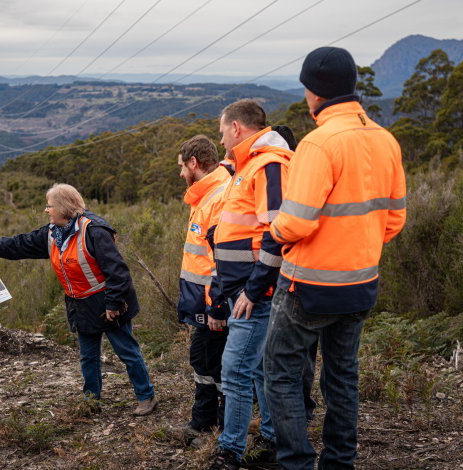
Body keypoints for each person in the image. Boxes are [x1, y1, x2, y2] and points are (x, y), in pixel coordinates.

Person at [265, 47, 407, 470]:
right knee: (343, 376)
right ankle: (339, 462)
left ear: (314, 92)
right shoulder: (386, 139)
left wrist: (273, 233)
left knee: (281, 373)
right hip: (361, 283)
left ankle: (296, 463)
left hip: (308, 286)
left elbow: (297, 223)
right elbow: (394, 221)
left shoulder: (319, 143)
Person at [0, 183, 157, 416]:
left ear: (64, 208)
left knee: (127, 351)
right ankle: (91, 401)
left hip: (108, 302)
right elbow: (21, 243)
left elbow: (118, 273)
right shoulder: (52, 233)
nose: (46, 210)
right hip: (81, 305)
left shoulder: (94, 230)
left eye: (49, 206)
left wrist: (113, 304)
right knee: (88, 357)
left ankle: (147, 397)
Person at [206, 99, 296, 470]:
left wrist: (253, 291)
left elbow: (278, 232)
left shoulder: (269, 164)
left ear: (238, 128)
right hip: (239, 289)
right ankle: (271, 442)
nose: (221, 137)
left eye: (223, 130)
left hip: (253, 293)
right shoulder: (246, 167)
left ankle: (230, 454)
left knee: (236, 371)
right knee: (255, 369)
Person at [171, 135, 233, 446]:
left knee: (217, 365)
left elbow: (221, 260)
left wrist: (215, 307)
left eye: (182, 166)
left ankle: (221, 431)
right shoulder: (204, 196)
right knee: (202, 360)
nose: (181, 173)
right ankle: (203, 421)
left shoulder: (219, 197)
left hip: (214, 305)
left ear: (195, 163)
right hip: (203, 303)